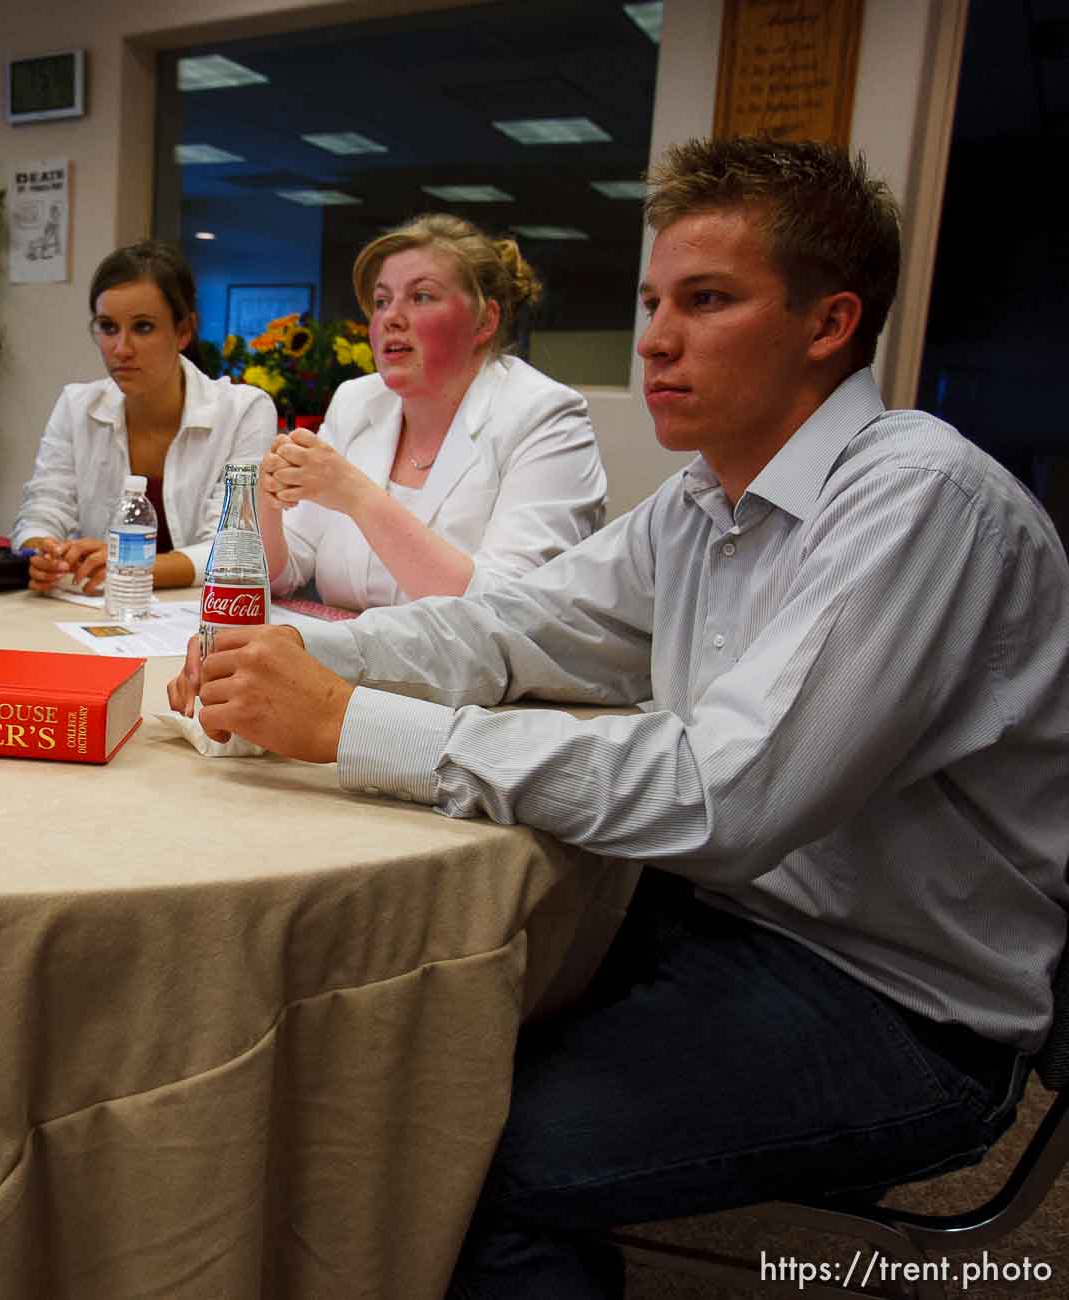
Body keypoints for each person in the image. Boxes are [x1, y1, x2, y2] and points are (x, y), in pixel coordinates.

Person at [169, 136, 1069, 1297]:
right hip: (720, 919)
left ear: (830, 322)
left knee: (464, 1159)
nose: (652, 336)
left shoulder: (919, 502)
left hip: (902, 999)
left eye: (707, 300)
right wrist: (297, 655)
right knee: (388, 1062)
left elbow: (727, 796)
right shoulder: (706, 500)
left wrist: (350, 720)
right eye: (652, 300)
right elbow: (510, 628)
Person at [260, 215, 605, 609]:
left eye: (421, 296)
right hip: (348, 655)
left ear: (485, 320)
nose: (391, 317)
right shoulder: (356, 402)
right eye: (381, 301)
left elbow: (506, 610)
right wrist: (266, 501)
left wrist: (355, 494)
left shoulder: (545, 416)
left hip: (470, 669)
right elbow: (285, 574)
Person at [12, 240, 275, 594]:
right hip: (89, 611)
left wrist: (128, 565)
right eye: (108, 327)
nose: (121, 349)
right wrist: (42, 552)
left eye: (143, 328)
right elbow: (43, 509)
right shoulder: (76, 405)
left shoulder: (244, 411)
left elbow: (235, 547)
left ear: (183, 331)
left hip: (200, 619)